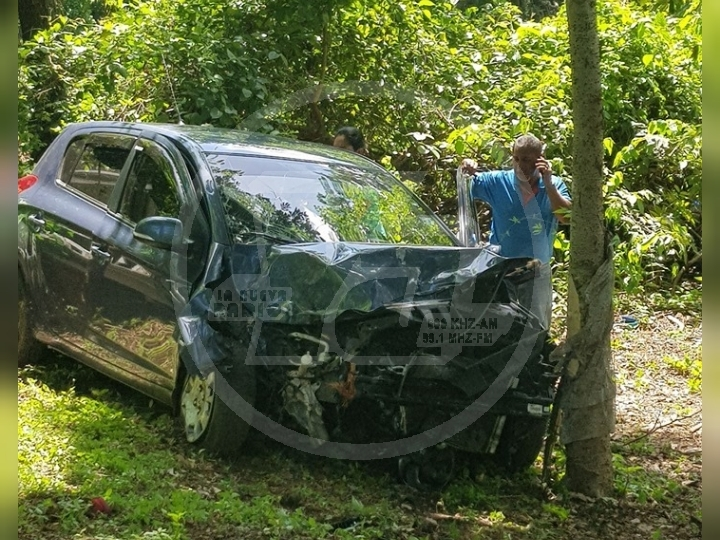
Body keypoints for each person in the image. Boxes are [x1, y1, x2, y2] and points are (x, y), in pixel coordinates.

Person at [460, 133, 572, 329]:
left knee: (537, 326)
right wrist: (467, 166)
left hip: (536, 268)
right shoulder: (498, 182)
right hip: (502, 266)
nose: (520, 165)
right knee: (501, 327)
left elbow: (567, 217)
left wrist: (548, 184)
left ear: (540, 159)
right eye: (516, 159)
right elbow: (465, 183)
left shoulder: (554, 185)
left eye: (526, 160)